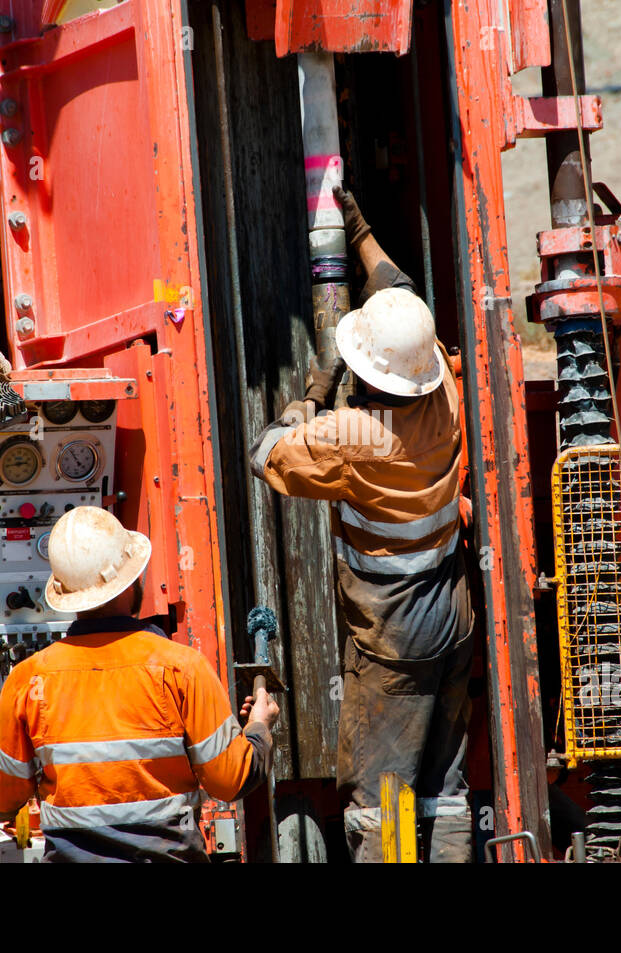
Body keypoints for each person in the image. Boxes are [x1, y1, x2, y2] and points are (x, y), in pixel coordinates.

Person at [247, 189, 474, 862]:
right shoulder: (447, 395)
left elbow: (265, 455)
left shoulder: (353, 434)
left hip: (395, 640)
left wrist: (311, 395)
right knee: (447, 787)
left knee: (384, 803)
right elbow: (400, 295)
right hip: (454, 617)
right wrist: (361, 231)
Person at [0, 505, 279, 862]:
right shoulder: (182, 668)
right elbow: (231, 780)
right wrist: (259, 726)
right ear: (131, 580)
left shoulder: (28, 680)